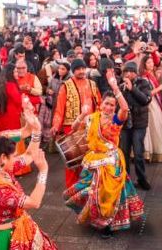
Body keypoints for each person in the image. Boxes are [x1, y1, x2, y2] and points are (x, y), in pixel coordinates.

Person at [63, 73, 144, 238]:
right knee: (93, 192)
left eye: (112, 105)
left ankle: (108, 224)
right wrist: (81, 115)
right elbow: (74, 130)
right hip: (94, 160)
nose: (109, 107)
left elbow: (125, 108)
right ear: (100, 104)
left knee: (109, 194)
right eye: (106, 104)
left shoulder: (116, 120)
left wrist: (115, 88)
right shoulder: (92, 119)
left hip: (110, 162)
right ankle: (97, 219)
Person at [0, 137, 57, 249]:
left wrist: (36, 131)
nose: (16, 159)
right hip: (1, 238)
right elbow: (34, 202)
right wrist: (43, 171)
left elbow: (28, 155)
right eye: (14, 156)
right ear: (3, 158)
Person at [51, 59, 101, 188]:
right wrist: (56, 126)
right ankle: (72, 189)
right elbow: (59, 109)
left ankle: (88, 188)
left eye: (83, 68)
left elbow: (99, 105)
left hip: (90, 127)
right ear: (73, 70)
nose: (81, 71)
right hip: (71, 128)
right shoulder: (65, 86)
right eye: (78, 69)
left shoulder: (92, 84)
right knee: (72, 163)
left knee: (90, 161)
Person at [119, 62, 152, 190]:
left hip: (139, 124)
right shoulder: (120, 85)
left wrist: (132, 88)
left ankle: (142, 179)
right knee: (124, 153)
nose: (128, 74)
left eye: (130, 71)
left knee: (138, 153)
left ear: (135, 72)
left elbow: (145, 100)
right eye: (125, 72)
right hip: (125, 124)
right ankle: (125, 180)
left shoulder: (143, 83)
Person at [140, 55, 162, 162]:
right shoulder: (144, 77)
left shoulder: (150, 75)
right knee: (152, 127)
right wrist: (159, 88)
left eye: (152, 62)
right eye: (148, 62)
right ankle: (149, 152)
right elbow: (147, 93)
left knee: (156, 126)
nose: (151, 64)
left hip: (154, 103)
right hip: (150, 104)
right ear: (144, 64)